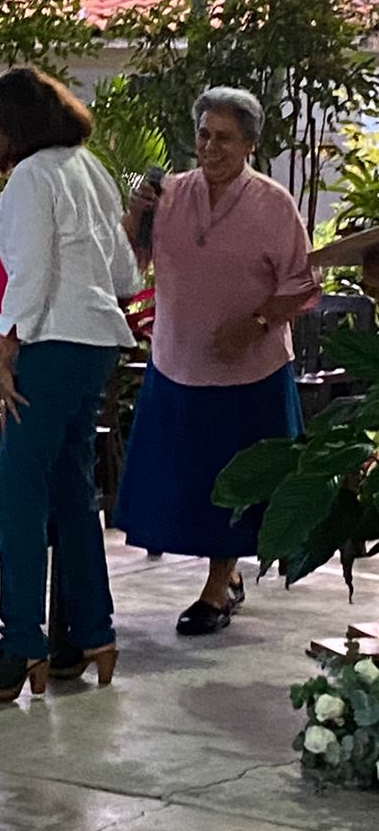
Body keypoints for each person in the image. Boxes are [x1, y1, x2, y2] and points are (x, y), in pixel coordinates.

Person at [116, 86, 318, 635]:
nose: (210, 147)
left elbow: (302, 284)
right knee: (185, 485)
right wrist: (135, 214)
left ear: (250, 144)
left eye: (224, 138)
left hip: (250, 372)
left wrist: (255, 325)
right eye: (204, 135)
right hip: (176, 364)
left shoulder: (273, 204)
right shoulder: (170, 194)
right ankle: (223, 578)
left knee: (235, 488)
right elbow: (130, 265)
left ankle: (218, 585)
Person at [0, 68, 139, 703]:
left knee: (16, 490)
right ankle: (93, 634)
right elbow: (124, 274)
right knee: (71, 487)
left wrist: (5, 342)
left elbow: (31, 270)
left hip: (51, 342)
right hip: (96, 343)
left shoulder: (31, 176)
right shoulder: (90, 169)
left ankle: (22, 644)